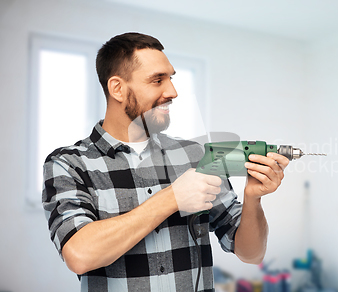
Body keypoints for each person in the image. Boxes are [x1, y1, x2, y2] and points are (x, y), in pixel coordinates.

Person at [42, 32, 289, 291]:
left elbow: (252, 253)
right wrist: (173, 198)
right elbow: (79, 255)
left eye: (170, 78)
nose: (172, 91)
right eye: (157, 80)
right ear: (117, 88)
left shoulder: (197, 156)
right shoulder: (68, 164)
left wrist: (252, 198)